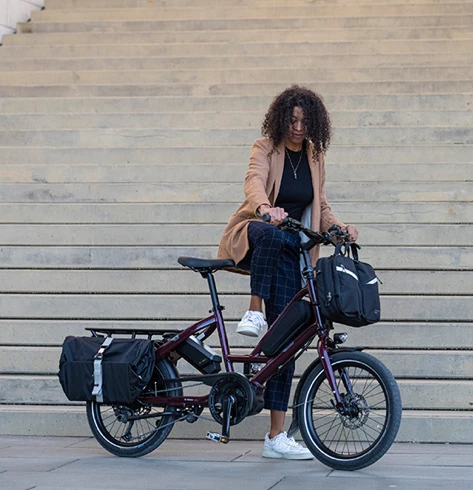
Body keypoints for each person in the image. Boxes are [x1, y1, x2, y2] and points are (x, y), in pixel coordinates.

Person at [217, 85, 358, 460]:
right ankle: (254, 310)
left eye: (304, 122)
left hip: (292, 257)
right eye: (292, 120)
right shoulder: (265, 147)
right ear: (281, 119)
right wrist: (266, 209)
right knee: (271, 233)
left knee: (286, 344)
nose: (297, 127)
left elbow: (320, 204)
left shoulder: (314, 155)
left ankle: (275, 436)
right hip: (258, 232)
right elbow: (254, 181)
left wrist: (339, 228)